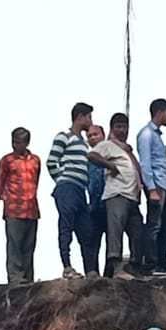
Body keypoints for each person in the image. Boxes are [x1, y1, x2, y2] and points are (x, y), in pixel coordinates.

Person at [87, 113, 142, 278]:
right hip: (117, 193)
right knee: (115, 231)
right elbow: (92, 155)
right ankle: (116, 266)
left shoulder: (127, 149)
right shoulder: (108, 145)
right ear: (112, 128)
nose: (122, 130)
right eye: (118, 126)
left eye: (125, 127)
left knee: (138, 231)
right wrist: (110, 165)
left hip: (132, 196)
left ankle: (135, 265)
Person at [47, 102, 94, 279]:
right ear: (80, 117)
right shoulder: (64, 137)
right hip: (67, 188)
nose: (90, 121)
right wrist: (62, 179)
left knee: (86, 230)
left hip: (80, 190)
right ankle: (67, 266)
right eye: (89, 117)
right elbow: (51, 161)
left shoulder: (83, 143)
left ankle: (90, 270)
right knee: (66, 226)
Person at [0, 127, 42, 285]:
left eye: (19, 142)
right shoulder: (7, 160)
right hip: (14, 209)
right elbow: (0, 185)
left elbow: (36, 181)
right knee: (14, 246)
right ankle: (15, 277)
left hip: (31, 209)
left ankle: (28, 279)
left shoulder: (35, 160)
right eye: (13, 141)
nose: (15, 145)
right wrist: (7, 198)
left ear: (27, 142)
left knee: (29, 246)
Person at [135, 98, 166, 276]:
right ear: (160, 112)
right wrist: (151, 188)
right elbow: (146, 163)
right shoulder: (147, 134)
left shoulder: (156, 135)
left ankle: (160, 264)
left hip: (164, 185)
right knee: (154, 225)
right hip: (157, 185)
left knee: (164, 226)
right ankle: (150, 264)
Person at [84, 124, 108, 278]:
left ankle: (109, 273)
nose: (93, 138)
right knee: (92, 240)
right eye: (90, 136)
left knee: (112, 240)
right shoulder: (88, 159)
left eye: (95, 134)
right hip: (93, 204)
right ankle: (92, 272)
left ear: (103, 135)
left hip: (109, 202)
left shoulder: (110, 154)